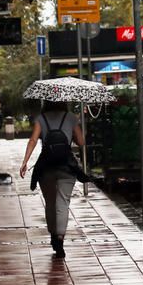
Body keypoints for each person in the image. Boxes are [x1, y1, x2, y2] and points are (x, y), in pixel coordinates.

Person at [19, 101, 85, 259]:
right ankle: (60, 238)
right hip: (66, 166)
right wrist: (74, 135)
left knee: (50, 203)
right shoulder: (71, 117)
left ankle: (53, 234)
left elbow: (33, 140)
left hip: (46, 166)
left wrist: (25, 162)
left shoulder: (41, 118)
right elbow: (81, 142)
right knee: (63, 202)